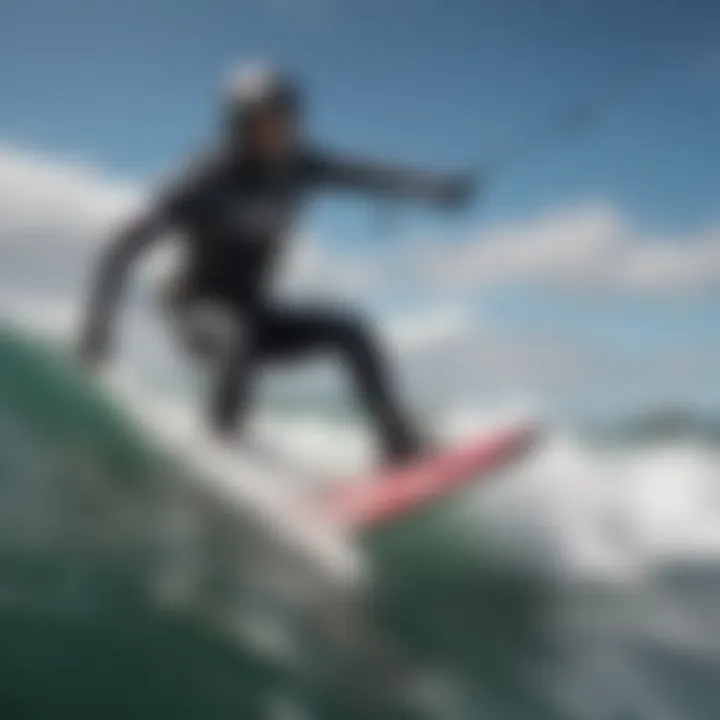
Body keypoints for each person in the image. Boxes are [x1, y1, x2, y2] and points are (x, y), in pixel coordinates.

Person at [78, 63, 475, 462]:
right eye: (269, 119)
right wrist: (98, 326)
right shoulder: (204, 178)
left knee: (350, 331)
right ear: (240, 123)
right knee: (236, 340)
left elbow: (366, 175)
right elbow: (123, 247)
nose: (282, 129)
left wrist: (435, 189)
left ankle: (398, 446)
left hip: (253, 311)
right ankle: (222, 457)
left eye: (287, 117)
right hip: (195, 311)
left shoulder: (300, 167)